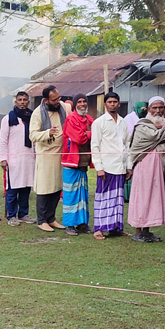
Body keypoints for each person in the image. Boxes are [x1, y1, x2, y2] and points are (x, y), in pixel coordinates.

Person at [127, 96, 165, 242]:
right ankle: (138, 232)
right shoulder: (142, 125)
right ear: (149, 109)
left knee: (153, 196)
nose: (158, 110)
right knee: (142, 196)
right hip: (143, 164)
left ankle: (147, 230)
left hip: (158, 165)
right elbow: (137, 146)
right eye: (155, 107)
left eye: (161, 107)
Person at [90, 91, 130, 240]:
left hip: (120, 166)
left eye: (115, 102)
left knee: (118, 199)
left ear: (119, 104)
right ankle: (98, 229)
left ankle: (115, 228)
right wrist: (99, 167)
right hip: (106, 167)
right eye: (110, 102)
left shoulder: (123, 122)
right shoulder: (99, 123)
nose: (112, 104)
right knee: (103, 199)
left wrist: (129, 166)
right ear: (105, 104)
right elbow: (95, 146)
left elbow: (127, 145)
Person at [30, 85, 69, 232]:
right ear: (46, 100)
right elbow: (32, 135)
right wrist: (48, 133)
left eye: (58, 98)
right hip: (45, 155)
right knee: (44, 188)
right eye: (54, 100)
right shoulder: (37, 113)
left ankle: (51, 218)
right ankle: (42, 220)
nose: (58, 101)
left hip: (60, 154)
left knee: (56, 188)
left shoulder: (63, 107)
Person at [0, 91, 36, 226]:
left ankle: (23, 214)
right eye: (19, 100)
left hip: (28, 159)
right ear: (16, 102)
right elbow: (3, 140)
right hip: (13, 160)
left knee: (26, 187)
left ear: (28, 102)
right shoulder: (9, 118)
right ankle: (11, 215)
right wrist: (3, 158)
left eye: (25, 100)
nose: (22, 102)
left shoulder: (32, 118)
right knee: (12, 189)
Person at [61, 93, 94, 235]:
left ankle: (82, 224)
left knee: (82, 194)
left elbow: (97, 132)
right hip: (71, 162)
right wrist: (90, 134)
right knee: (70, 194)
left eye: (84, 101)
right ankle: (69, 224)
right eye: (79, 102)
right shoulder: (71, 119)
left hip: (83, 162)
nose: (82, 104)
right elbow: (79, 138)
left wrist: (88, 133)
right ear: (75, 104)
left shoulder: (88, 119)